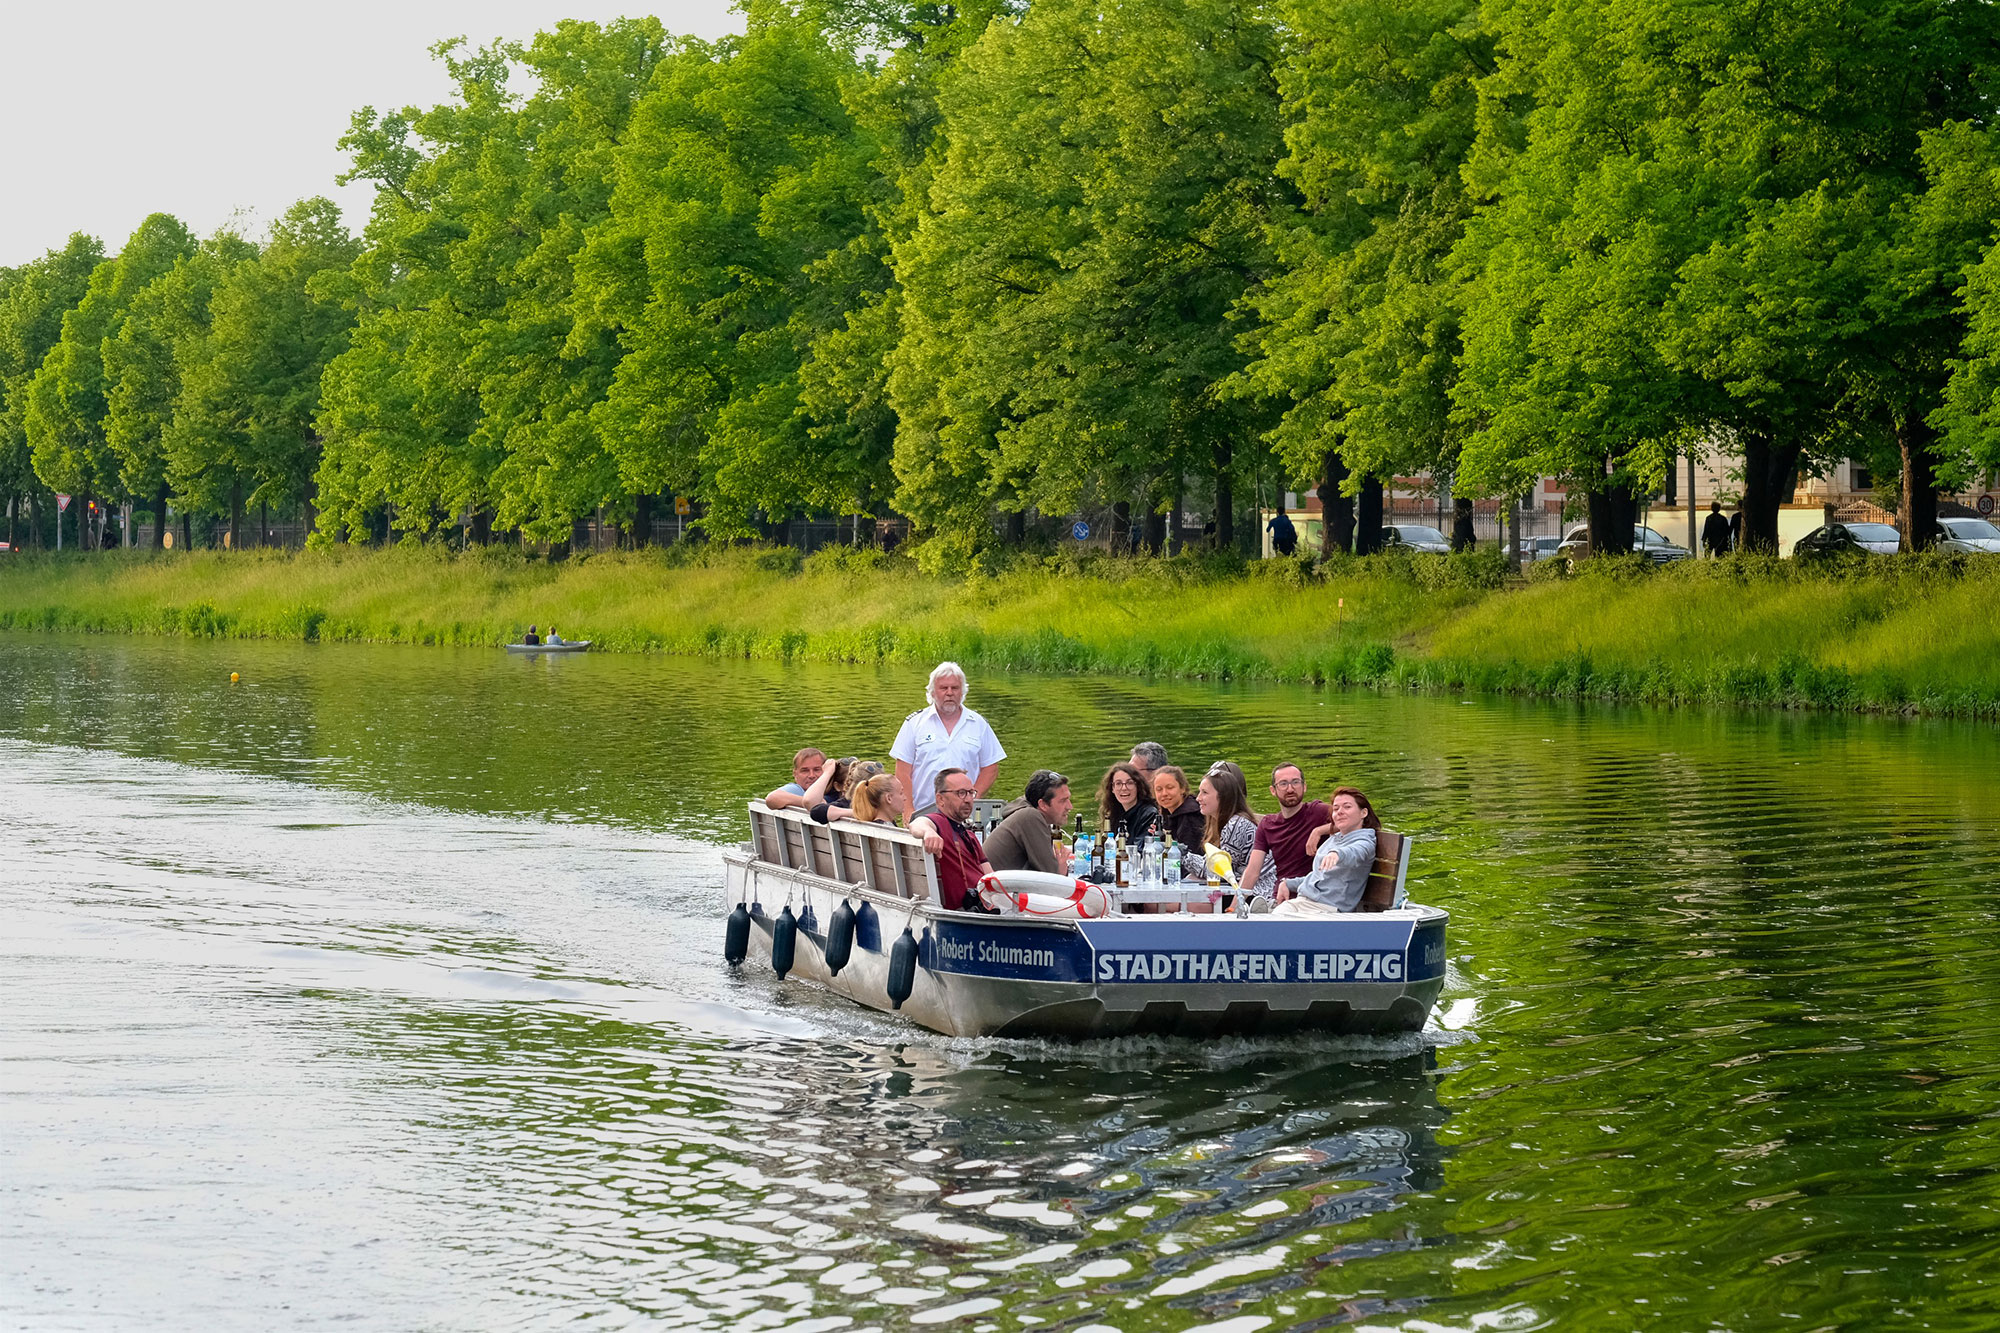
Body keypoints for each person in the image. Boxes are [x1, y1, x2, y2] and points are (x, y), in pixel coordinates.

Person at [892, 662, 1005, 820]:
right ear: (932, 692)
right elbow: (902, 771)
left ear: (962, 692)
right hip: (924, 814)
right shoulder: (914, 724)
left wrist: (972, 798)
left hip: (966, 816)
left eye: (955, 688)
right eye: (944, 688)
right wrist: (908, 810)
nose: (949, 693)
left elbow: (991, 768)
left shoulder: (979, 724)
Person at [1275, 786, 1381, 916]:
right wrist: (1288, 883)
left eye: (1347, 807)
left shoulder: (1365, 841)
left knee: (1276, 923)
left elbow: (1355, 852)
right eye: (1336, 809)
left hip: (1327, 909)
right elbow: (1317, 877)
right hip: (1304, 902)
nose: (1340, 812)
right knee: (1270, 919)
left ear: (1363, 813)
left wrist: (1337, 854)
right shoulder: (1335, 838)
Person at [1239, 763, 1332, 898]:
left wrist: (1319, 831)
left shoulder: (1319, 812)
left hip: (1313, 896)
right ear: (1273, 790)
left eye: (1295, 782)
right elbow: (1252, 871)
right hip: (1281, 897)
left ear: (1304, 786)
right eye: (1283, 784)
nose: (1290, 789)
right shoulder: (1267, 825)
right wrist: (1234, 909)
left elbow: (1359, 820)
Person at [909, 769, 993, 911]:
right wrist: (929, 832)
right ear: (940, 799)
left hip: (984, 907)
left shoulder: (970, 836)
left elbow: (991, 878)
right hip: (964, 916)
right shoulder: (940, 823)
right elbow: (917, 823)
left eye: (970, 792)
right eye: (960, 793)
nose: (968, 799)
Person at [1198, 766, 1275, 897]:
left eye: (1204, 793)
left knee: (1177, 903)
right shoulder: (1225, 822)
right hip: (1239, 887)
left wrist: (1180, 855)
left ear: (1223, 797)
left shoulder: (1236, 825)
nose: (1198, 798)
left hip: (1258, 892)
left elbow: (1218, 870)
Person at [984, 769, 1072, 874]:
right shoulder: (1030, 817)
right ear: (1043, 804)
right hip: (993, 888)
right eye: (1062, 801)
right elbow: (1051, 877)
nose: (1070, 806)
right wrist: (1061, 869)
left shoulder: (1028, 813)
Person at [1096, 761, 1161, 843]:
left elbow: (1142, 848)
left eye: (1129, 783)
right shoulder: (1114, 813)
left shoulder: (1149, 814)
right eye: (1118, 783)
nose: (1124, 788)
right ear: (1112, 788)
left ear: (1138, 786)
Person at [1150, 765, 1204, 855]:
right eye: (1159, 789)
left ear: (1182, 788)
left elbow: (1191, 854)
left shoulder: (1191, 816)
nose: (1164, 793)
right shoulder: (1166, 814)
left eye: (1170, 787)